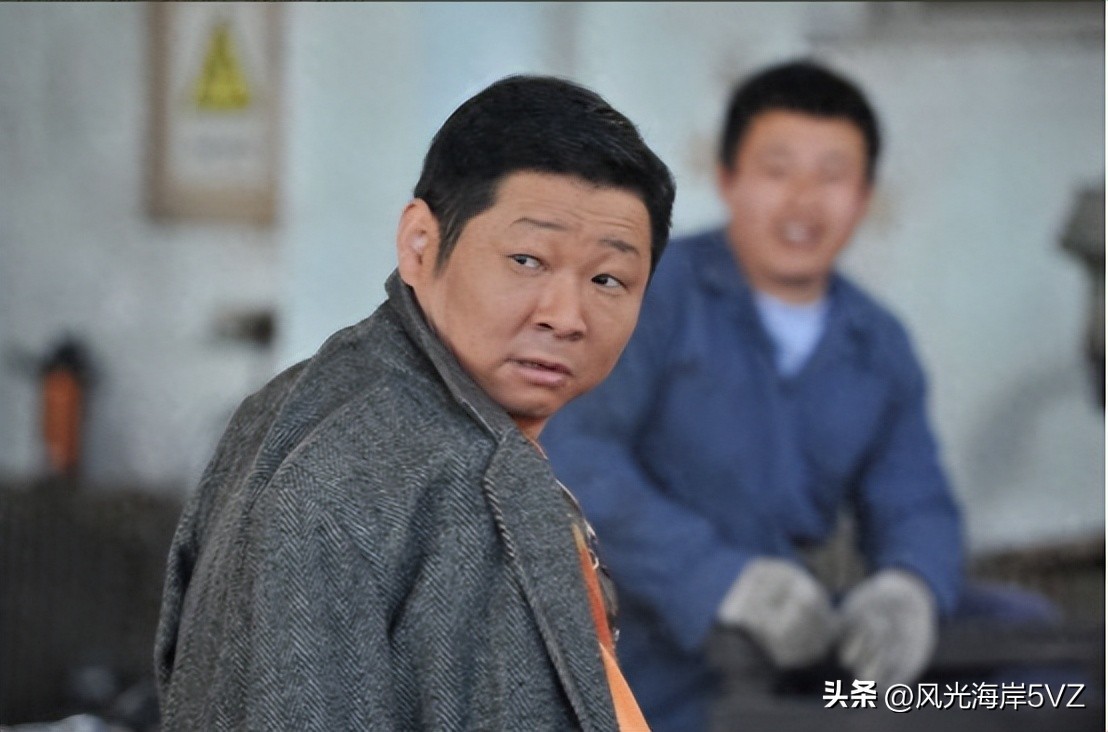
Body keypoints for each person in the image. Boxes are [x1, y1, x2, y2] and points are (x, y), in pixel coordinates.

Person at [154, 74, 675, 731]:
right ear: (420, 245)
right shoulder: (347, 475)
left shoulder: (426, 424)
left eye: (608, 278)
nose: (566, 316)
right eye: (527, 260)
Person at [540, 60, 966, 731]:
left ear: (863, 197)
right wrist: (721, 579)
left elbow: (915, 497)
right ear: (729, 179)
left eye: (832, 176)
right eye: (777, 170)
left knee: (1033, 667)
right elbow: (574, 454)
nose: (803, 202)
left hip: (798, 643)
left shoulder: (877, 343)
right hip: (637, 646)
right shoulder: (649, 296)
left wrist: (908, 586)